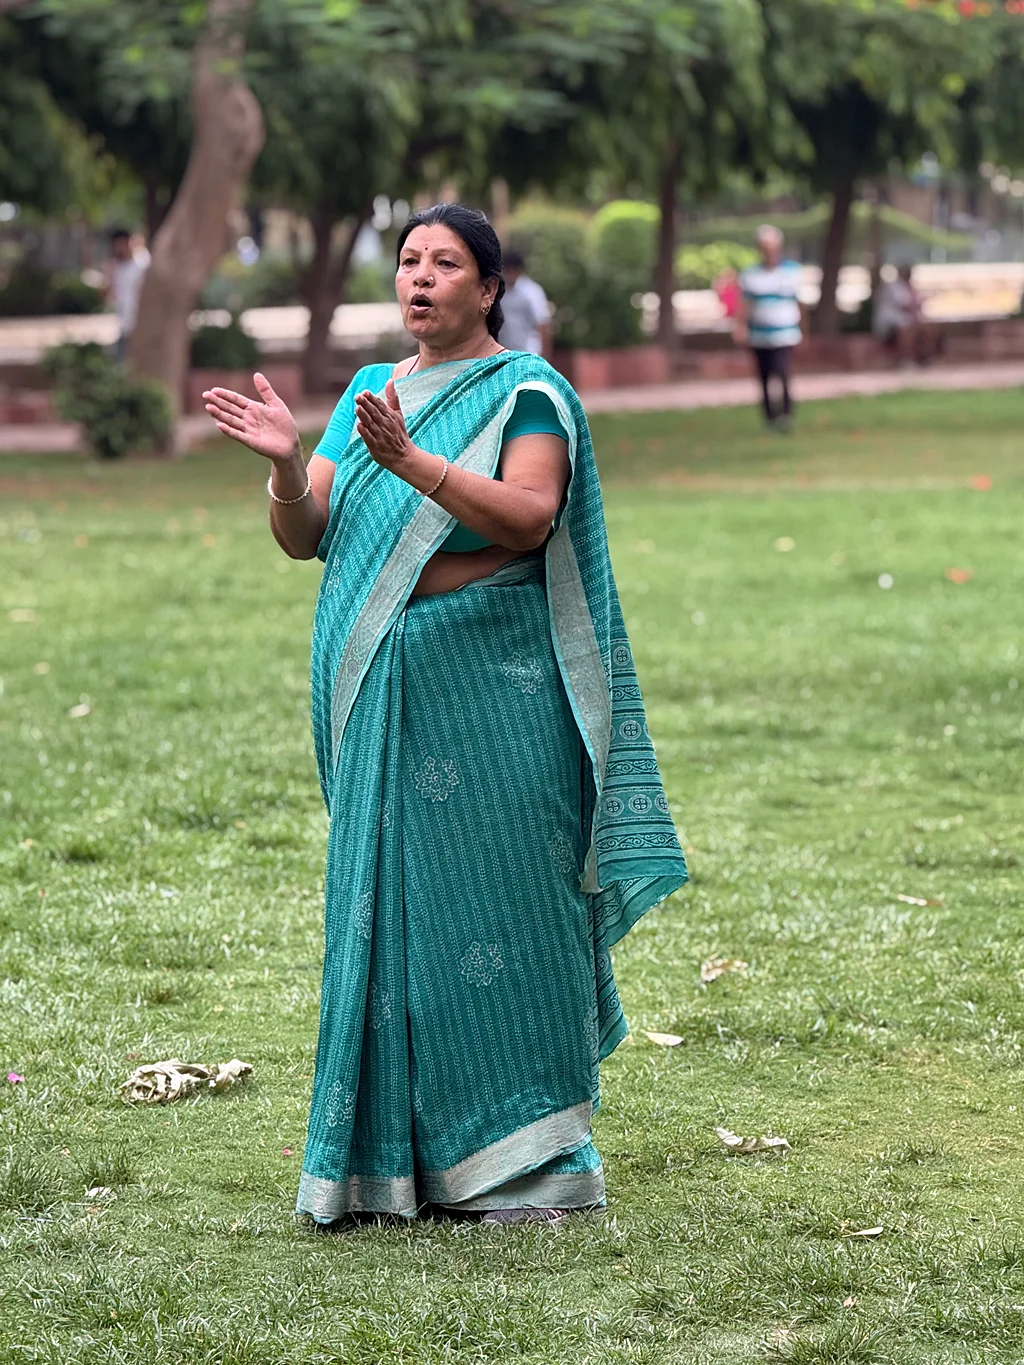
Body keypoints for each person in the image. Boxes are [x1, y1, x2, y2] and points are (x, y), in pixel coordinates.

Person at [203, 203, 687, 1225]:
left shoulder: (527, 390)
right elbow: (309, 538)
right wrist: (290, 468)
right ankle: (396, 1166)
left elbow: (528, 514)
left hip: (499, 699)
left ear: (489, 285)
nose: (420, 278)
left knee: (509, 907)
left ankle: (532, 1161)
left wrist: (412, 462)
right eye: (409, 262)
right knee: (396, 922)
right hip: (386, 688)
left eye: (445, 264)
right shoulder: (371, 393)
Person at [735, 225, 803, 430]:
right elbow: (744, 305)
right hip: (759, 334)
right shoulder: (750, 275)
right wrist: (740, 327)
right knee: (764, 376)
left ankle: (786, 413)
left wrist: (804, 330)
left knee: (782, 372)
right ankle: (769, 416)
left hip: (785, 333)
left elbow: (801, 303)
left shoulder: (792, 271)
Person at [872, 264, 931, 367]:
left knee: (928, 330)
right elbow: (905, 305)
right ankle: (905, 360)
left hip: (905, 321)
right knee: (906, 331)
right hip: (888, 323)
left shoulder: (909, 288)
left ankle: (924, 359)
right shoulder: (892, 287)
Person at [105, 228, 149, 364]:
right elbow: (109, 296)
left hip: (141, 321)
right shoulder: (116, 267)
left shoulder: (142, 264)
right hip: (124, 322)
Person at [497, 248, 551, 356]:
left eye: (513, 270)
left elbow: (542, 324)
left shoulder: (532, 292)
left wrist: (546, 356)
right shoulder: (499, 291)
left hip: (528, 353)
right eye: (507, 270)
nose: (510, 274)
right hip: (504, 353)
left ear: (520, 270)